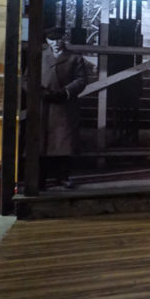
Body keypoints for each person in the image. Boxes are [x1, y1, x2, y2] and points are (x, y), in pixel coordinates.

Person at [41, 28, 88, 189]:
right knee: (42, 141)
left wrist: (65, 91)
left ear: (64, 39)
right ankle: (40, 178)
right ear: (47, 41)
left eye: (58, 39)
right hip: (43, 105)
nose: (55, 43)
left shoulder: (75, 58)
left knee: (64, 142)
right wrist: (39, 92)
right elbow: (27, 77)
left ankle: (62, 176)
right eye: (51, 40)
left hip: (64, 105)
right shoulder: (40, 56)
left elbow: (81, 80)